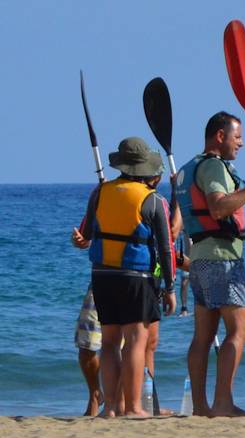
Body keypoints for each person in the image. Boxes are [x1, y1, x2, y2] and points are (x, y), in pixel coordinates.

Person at [176, 111, 245, 417]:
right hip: (221, 259)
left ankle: (202, 407)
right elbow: (218, 208)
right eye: (238, 137)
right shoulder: (213, 167)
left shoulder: (187, 168)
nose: (242, 144)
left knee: (203, 336)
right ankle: (222, 404)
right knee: (240, 328)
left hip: (201, 259)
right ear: (220, 136)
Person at [71, 137, 177, 417]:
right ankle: (133, 407)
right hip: (136, 276)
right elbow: (166, 248)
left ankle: (112, 409)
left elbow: (88, 232)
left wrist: (81, 240)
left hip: (102, 275)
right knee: (135, 341)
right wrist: (171, 285)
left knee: (108, 342)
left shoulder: (101, 192)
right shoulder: (153, 200)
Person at [73, 285, 103, 416]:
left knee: (128, 347)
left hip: (135, 277)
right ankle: (95, 395)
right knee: (86, 344)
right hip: (101, 278)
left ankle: (121, 402)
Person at [178, 236, 193, 316]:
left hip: (198, 257)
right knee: (184, 283)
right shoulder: (185, 226)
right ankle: (184, 308)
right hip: (186, 258)